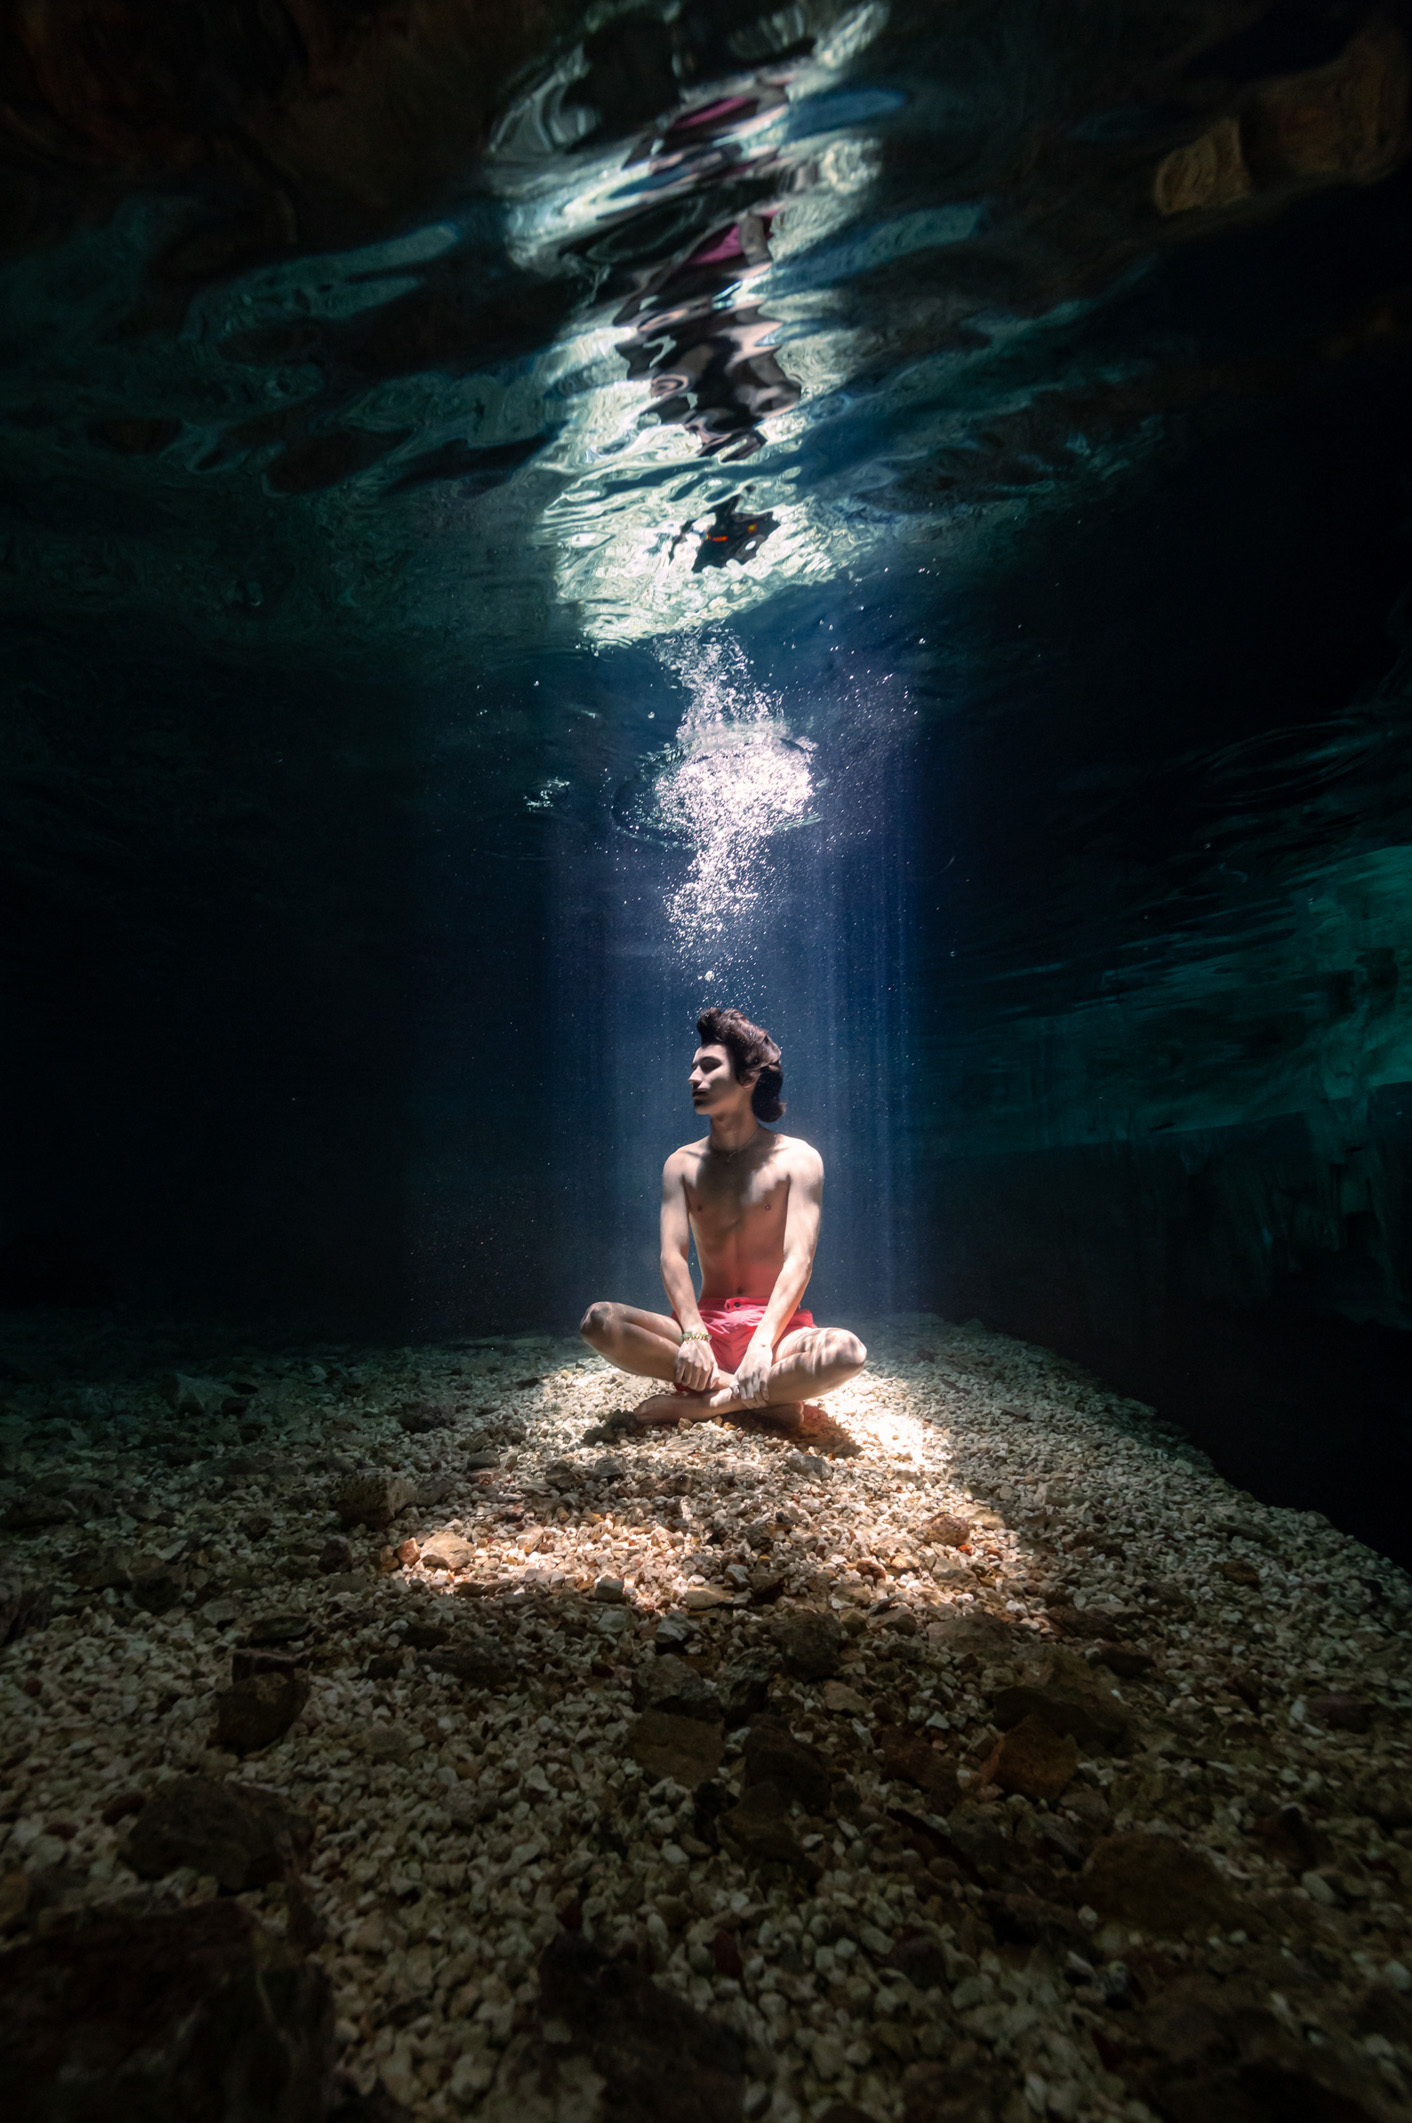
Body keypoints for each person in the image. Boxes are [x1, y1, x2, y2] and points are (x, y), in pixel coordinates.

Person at [580, 1007, 866, 1427]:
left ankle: (711, 1403)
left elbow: (799, 1260)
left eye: (709, 1066)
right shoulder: (681, 1164)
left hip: (778, 1331)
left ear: (748, 1077)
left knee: (847, 1353)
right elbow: (672, 1257)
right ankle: (762, 1395)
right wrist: (694, 1334)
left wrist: (763, 1344)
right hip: (703, 1327)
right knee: (598, 1322)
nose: (693, 1078)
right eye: (694, 1067)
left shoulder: (799, 1159)